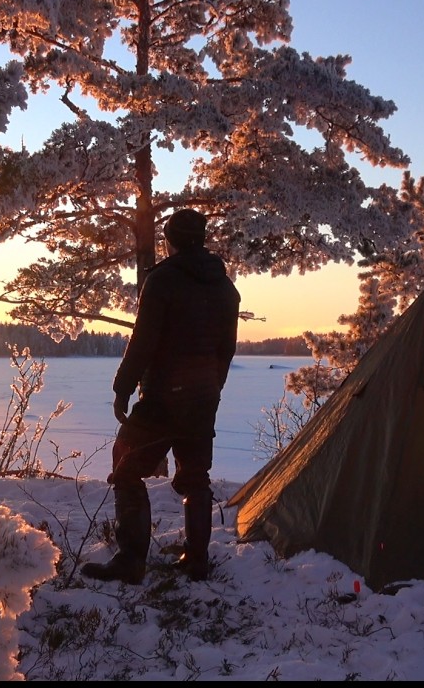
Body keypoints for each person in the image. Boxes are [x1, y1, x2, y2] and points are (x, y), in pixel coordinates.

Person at [81, 208, 241, 584]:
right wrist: (212, 389)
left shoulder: (163, 281)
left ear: (169, 241)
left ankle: (131, 560)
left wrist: (122, 387)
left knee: (126, 467)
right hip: (203, 397)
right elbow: (226, 350)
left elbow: (144, 341)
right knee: (196, 476)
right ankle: (196, 561)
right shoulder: (226, 287)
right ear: (200, 239)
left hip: (164, 398)